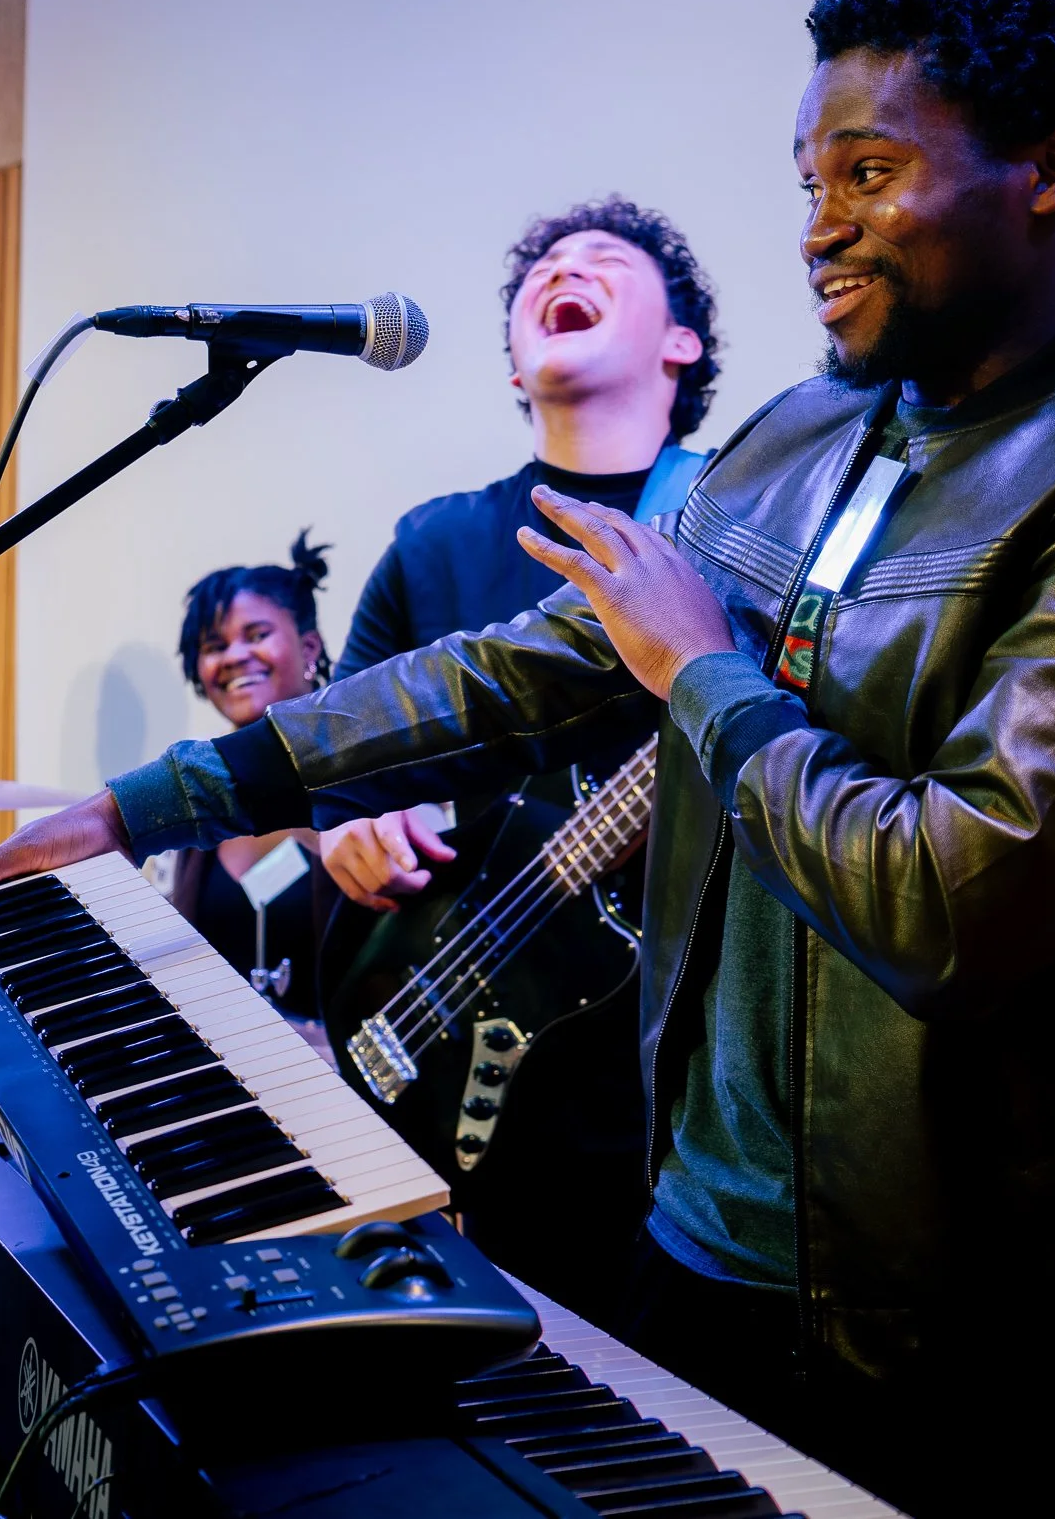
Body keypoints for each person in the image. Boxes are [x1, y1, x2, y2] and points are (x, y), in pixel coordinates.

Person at [0, 0, 1055, 1517]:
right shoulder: (802, 433)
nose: (818, 229)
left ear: (1053, 168)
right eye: (809, 183)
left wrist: (700, 670)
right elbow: (504, 673)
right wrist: (150, 801)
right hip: (697, 1241)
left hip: (976, 1317)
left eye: (867, 174)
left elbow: (949, 907)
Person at [315, 196, 716, 1321]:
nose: (562, 270)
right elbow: (338, 767)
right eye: (542, 266)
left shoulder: (736, 519)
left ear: (680, 342)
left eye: (602, 259)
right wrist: (350, 828)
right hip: (432, 1024)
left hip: (666, 1095)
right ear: (512, 366)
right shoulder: (433, 544)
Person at [156, 534, 337, 1027]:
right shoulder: (192, 803)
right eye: (215, 646)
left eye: (256, 635)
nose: (234, 656)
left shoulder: (368, 774)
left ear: (308, 647)